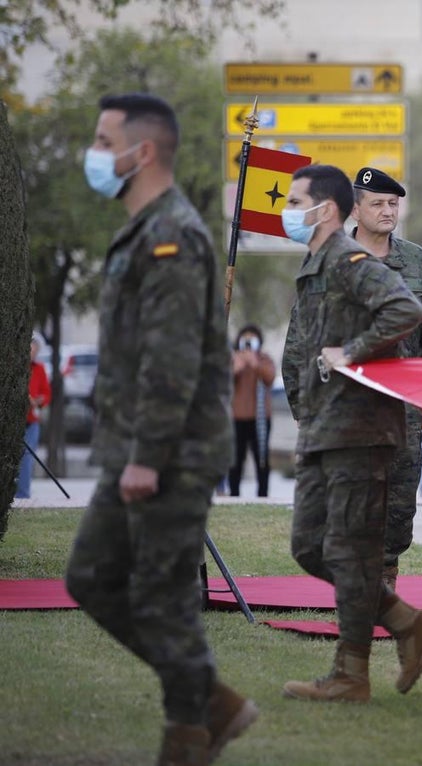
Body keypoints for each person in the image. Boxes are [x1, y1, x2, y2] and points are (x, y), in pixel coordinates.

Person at [63, 93, 257, 766]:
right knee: (90, 575)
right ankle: (213, 702)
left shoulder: (174, 235)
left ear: (140, 152)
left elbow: (169, 359)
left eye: (100, 139)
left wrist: (145, 457)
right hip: (136, 450)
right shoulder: (144, 230)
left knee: (159, 595)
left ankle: (187, 735)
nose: (92, 153)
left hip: (172, 454)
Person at [279, 163, 422, 703]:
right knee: (309, 547)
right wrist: (304, 407)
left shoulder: (350, 263)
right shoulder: (316, 263)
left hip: (360, 428)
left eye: (295, 200)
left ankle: (351, 672)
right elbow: (300, 348)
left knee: (354, 548)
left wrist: (352, 354)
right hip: (324, 428)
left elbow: (407, 308)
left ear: (324, 209)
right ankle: (406, 622)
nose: (287, 210)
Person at [350, 166, 422, 592]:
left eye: (393, 203)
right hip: (347, 403)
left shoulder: (416, 260)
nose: (387, 210)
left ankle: (386, 576)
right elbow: (304, 335)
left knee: (399, 500)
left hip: (404, 404)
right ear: (356, 208)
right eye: (377, 203)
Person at [228, 324, 275, 497]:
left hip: (260, 419)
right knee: (235, 459)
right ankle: (233, 494)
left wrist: (255, 364)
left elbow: (270, 378)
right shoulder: (233, 359)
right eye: (245, 340)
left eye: (252, 340)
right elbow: (224, 380)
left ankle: (263, 495)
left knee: (261, 458)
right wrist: (237, 367)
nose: (248, 344)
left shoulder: (264, 359)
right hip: (236, 418)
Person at [17, 331, 51, 499]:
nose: (32, 351)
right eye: (31, 347)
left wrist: (39, 400)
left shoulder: (39, 369)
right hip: (16, 421)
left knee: (27, 457)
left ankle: (23, 495)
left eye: (35, 348)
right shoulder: (15, 368)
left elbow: (46, 393)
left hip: (31, 421)